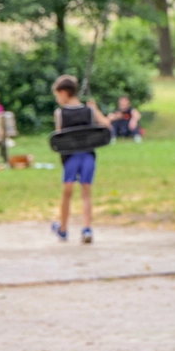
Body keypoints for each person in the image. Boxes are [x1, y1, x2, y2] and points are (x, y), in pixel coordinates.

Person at [50, 75, 108, 245]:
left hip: (70, 159)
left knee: (67, 194)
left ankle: (63, 229)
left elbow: (60, 138)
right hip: (88, 157)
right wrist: (95, 110)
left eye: (58, 95)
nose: (57, 99)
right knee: (86, 194)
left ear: (64, 93)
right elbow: (106, 126)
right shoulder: (89, 111)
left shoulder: (60, 113)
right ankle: (87, 228)